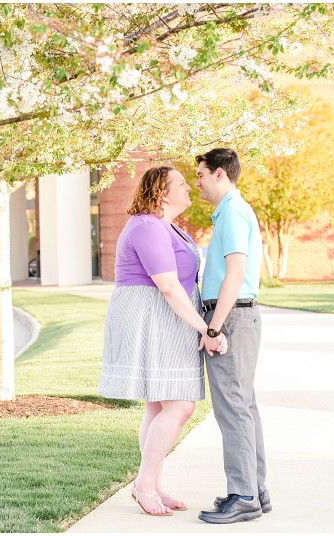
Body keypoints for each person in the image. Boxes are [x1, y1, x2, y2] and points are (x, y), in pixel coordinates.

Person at [100, 165, 227, 516]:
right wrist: (206, 328)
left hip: (165, 317)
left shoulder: (166, 226)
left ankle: (152, 484)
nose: (190, 187)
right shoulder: (147, 226)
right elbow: (168, 286)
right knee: (180, 406)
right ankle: (143, 485)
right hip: (151, 317)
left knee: (158, 406)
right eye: (182, 184)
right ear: (162, 192)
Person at [194, 148, 271, 524]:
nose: (198, 183)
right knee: (244, 405)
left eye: (201, 175)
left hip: (232, 316)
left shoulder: (232, 212)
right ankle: (256, 491)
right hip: (238, 315)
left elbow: (235, 273)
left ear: (220, 174)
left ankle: (243, 495)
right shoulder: (230, 211)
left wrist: (213, 327)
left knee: (234, 408)